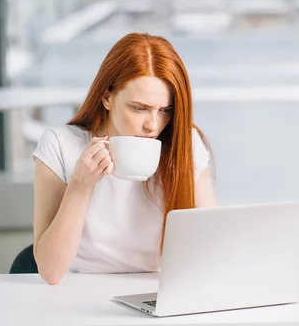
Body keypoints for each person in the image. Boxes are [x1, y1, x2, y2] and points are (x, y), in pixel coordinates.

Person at [31, 33, 216, 285]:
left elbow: (213, 246)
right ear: (107, 98)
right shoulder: (60, 145)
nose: (153, 125)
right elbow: (50, 271)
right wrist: (81, 185)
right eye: (139, 108)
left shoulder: (186, 144)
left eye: (165, 110)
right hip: (81, 287)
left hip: (159, 289)